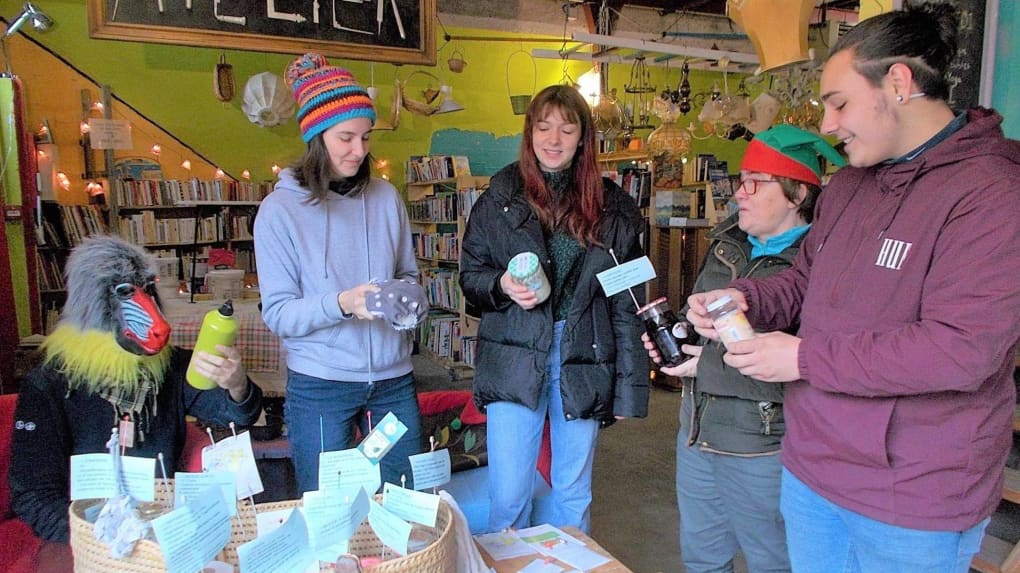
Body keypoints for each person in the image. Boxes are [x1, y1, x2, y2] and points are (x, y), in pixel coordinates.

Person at [685, 5, 1020, 573]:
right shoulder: (849, 189)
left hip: (912, 496)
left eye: (838, 103)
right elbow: (804, 279)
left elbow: (962, 350)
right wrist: (748, 298)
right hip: (812, 469)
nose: (827, 125)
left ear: (898, 82)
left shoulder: (990, 193)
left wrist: (804, 358)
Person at [645, 125, 844, 573]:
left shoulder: (819, 265)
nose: (739, 193)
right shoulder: (726, 244)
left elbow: (813, 369)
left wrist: (706, 367)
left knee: (773, 561)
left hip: (764, 447)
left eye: (756, 182)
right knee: (701, 559)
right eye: (741, 179)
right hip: (696, 434)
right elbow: (706, 328)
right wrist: (675, 336)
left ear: (796, 193)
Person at [459, 84, 648, 534]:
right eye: (543, 127)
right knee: (508, 493)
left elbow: (629, 302)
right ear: (529, 133)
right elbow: (470, 277)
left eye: (567, 128)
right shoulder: (499, 197)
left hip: (584, 353)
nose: (554, 139)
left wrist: (629, 388)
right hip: (515, 354)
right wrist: (501, 285)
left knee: (573, 489)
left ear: (583, 136)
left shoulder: (616, 208)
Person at [10, 235, 263, 545]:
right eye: (126, 292)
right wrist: (101, 543)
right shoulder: (50, 382)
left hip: (163, 526)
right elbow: (33, 494)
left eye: (147, 289)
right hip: (85, 539)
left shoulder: (171, 367)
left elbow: (234, 414)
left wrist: (236, 383)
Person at [255, 53, 427, 495]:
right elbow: (277, 313)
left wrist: (410, 297)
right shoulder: (279, 211)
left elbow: (408, 273)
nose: (360, 150)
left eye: (366, 137)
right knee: (328, 504)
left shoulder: (387, 198)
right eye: (346, 137)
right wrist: (344, 303)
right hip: (321, 383)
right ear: (315, 137)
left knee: (405, 497)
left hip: (393, 379)